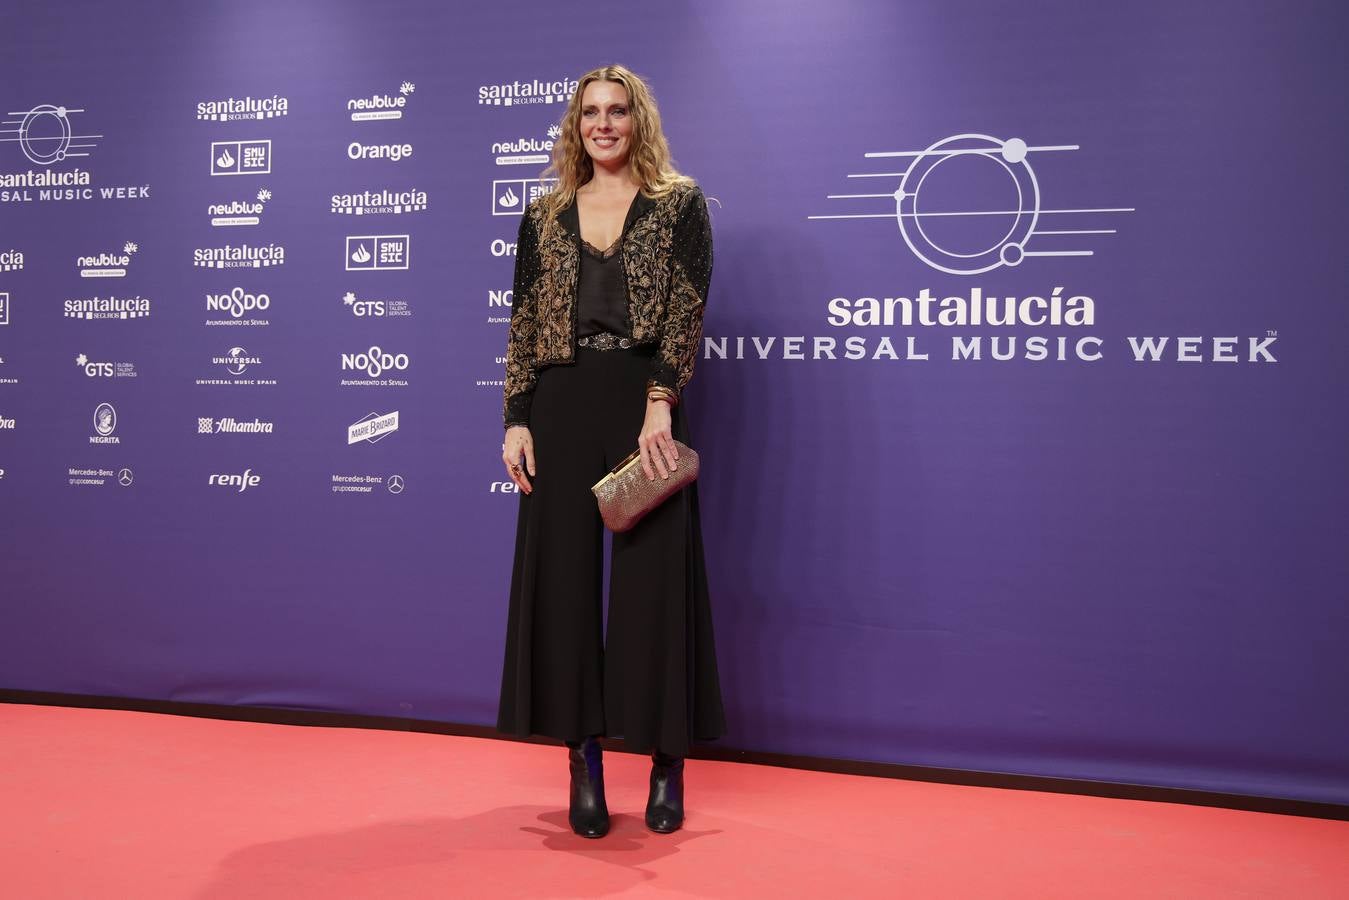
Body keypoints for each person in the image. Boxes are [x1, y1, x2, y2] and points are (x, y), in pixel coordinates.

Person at [496, 64, 727, 838]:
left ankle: (666, 764)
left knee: (655, 585)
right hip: (560, 403)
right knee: (562, 587)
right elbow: (524, 324)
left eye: (617, 111)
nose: (603, 124)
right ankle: (583, 762)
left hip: (643, 402)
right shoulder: (544, 213)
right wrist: (517, 417)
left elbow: (687, 311)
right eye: (590, 112)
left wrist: (661, 401)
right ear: (575, 125)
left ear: (637, 122)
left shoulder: (677, 205)